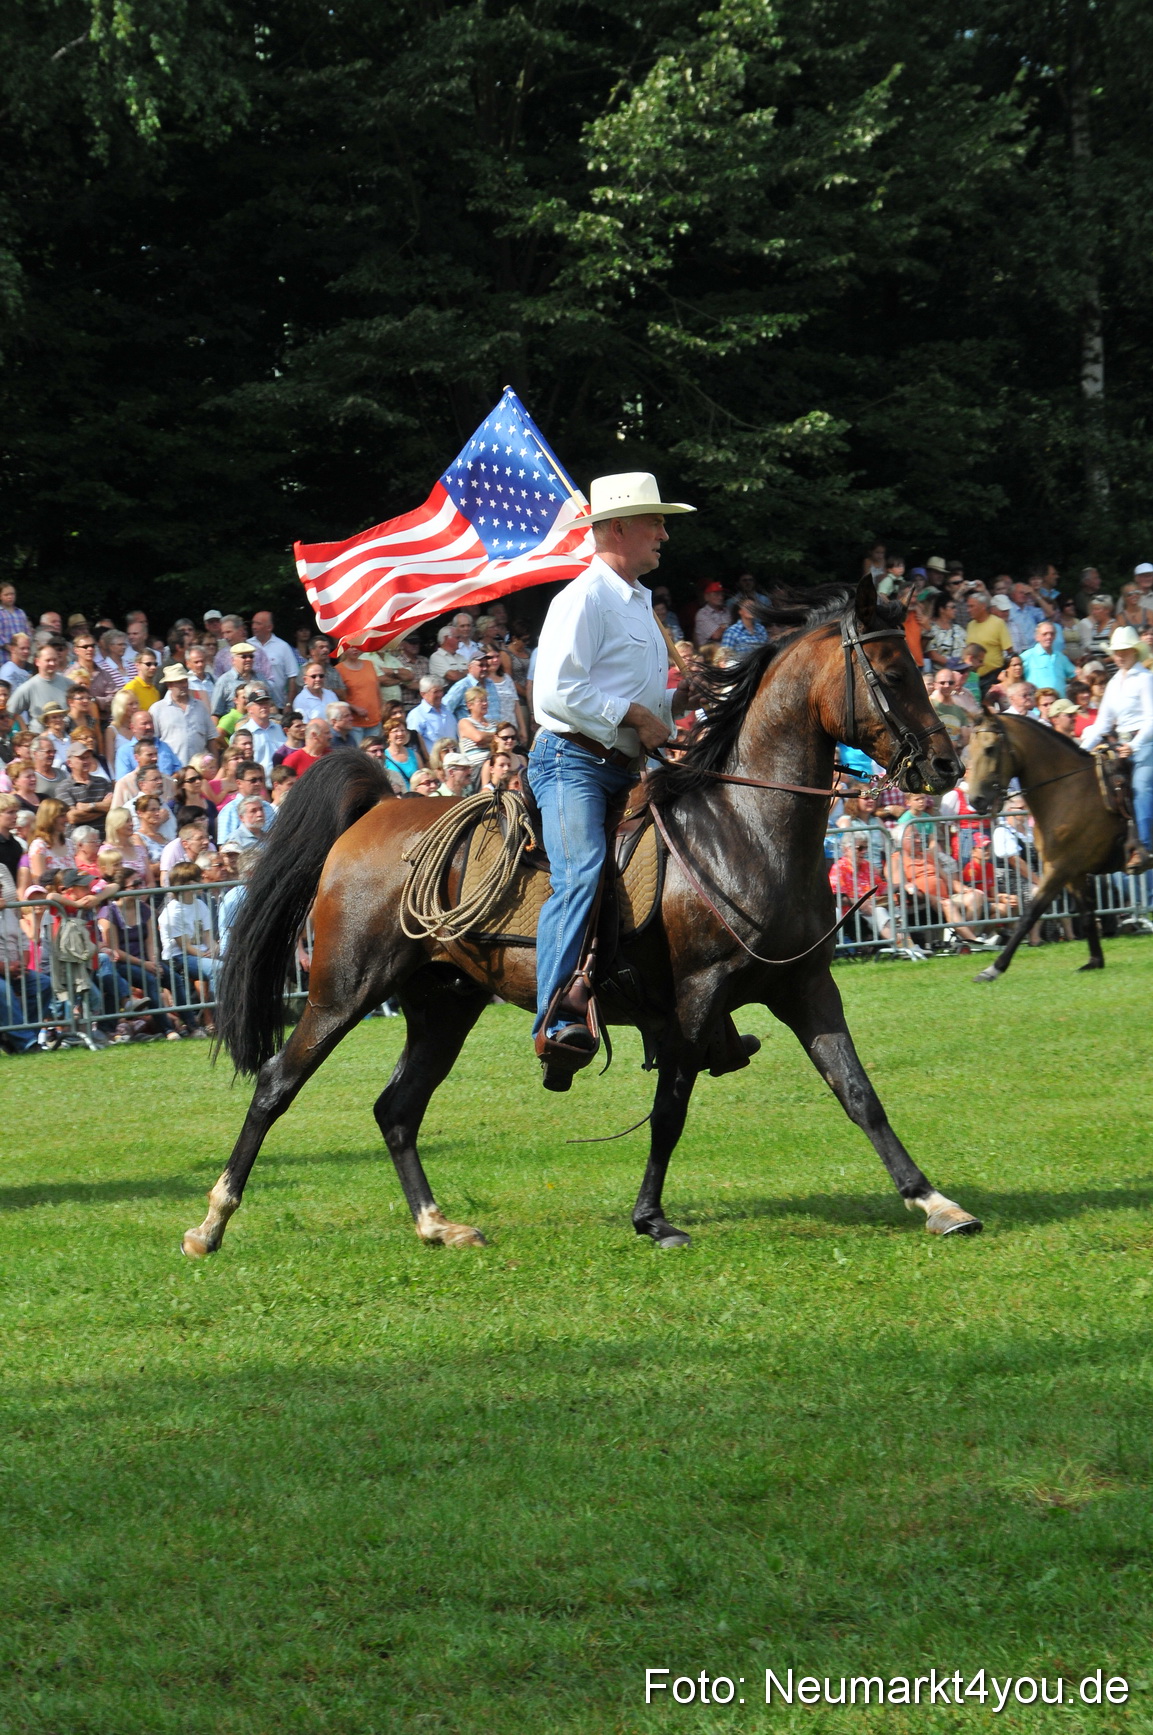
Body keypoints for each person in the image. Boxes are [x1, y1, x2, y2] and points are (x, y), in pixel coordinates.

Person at [529, 470, 689, 1075]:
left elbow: (644, 702)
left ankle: (673, 1016)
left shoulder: (639, 602)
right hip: (571, 762)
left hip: (624, 765)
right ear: (618, 528)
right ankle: (555, 1021)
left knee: (681, 867)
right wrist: (635, 714)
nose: (664, 535)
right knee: (582, 874)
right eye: (656, 522)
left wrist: (680, 702)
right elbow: (557, 691)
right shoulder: (583, 598)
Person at [1080, 624, 1153, 867]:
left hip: (1146, 744)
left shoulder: (1146, 679)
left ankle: (1144, 846)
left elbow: (1152, 719)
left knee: (1141, 787)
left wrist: (1134, 745)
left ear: (1134, 651)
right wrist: (1081, 751)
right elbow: (1102, 723)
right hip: (1120, 744)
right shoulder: (1112, 683)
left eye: (1123, 650)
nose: (1119, 655)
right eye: (1116, 651)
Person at [150, 663, 214, 764]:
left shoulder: (200, 706)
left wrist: (214, 763)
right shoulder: (157, 709)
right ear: (169, 685)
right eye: (179, 682)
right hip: (172, 768)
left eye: (185, 681)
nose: (184, 685)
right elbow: (153, 741)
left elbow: (211, 738)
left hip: (199, 768)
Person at [8, 642, 74, 727]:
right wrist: (23, 729)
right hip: (38, 734)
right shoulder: (28, 688)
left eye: (55, 660)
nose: (52, 663)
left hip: (65, 733)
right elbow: (9, 713)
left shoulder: (69, 684)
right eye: (48, 660)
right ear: (37, 662)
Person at [238, 685, 286, 772]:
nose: (264, 706)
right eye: (260, 704)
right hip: (259, 778)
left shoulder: (279, 728)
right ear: (249, 709)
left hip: (283, 776)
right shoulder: (243, 733)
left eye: (266, 703)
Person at [406, 676, 455, 757]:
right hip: (433, 762)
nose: (440, 695)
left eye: (441, 691)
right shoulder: (416, 715)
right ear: (423, 694)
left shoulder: (448, 712)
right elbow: (414, 746)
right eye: (435, 692)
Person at [1021, 622, 1076, 694]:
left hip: (1060, 699)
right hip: (1039, 699)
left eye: (1052, 634)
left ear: (1055, 636)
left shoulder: (1060, 656)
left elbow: (1075, 674)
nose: (1049, 637)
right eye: (1045, 634)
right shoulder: (1027, 656)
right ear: (1037, 637)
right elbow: (1013, 675)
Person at [692, 581, 730, 647]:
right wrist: (728, 625)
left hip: (727, 648)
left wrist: (722, 627)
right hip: (710, 651)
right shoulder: (702, 614)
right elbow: (716, 635)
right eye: (716, 594)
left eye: (722, 594)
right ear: (706, 597)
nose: (721, 597)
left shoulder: (726, 610)